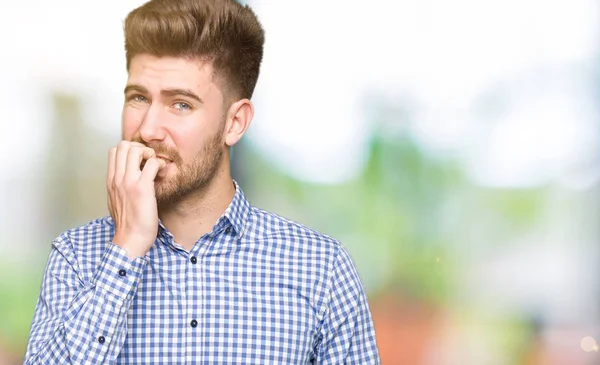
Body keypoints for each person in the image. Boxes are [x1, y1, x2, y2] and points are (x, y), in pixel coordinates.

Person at [24, 0, 380, 363]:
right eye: (138, 97)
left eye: (180, 104)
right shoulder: (75, 257)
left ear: (235, 123)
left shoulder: (321, 269)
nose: (147, 129)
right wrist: (127, 247)